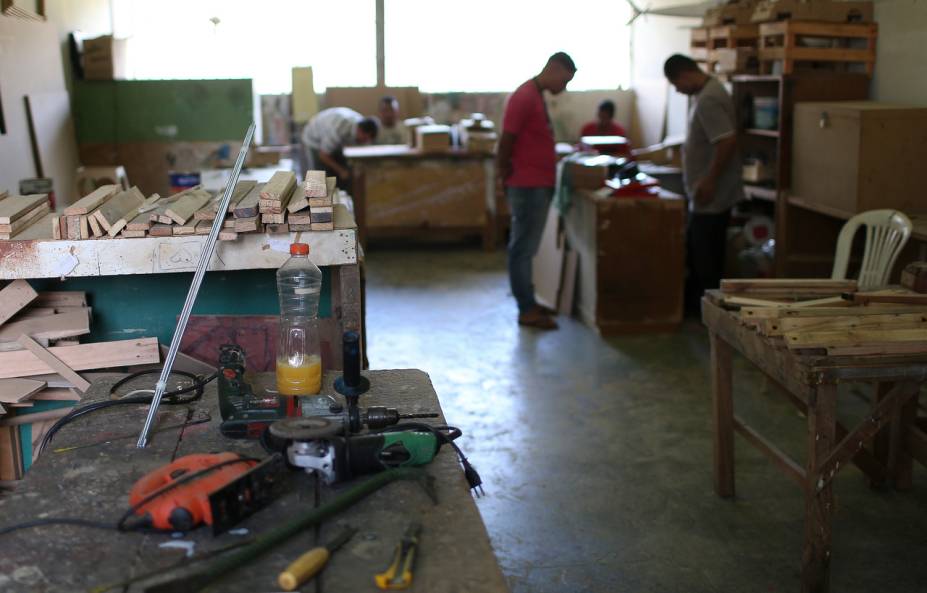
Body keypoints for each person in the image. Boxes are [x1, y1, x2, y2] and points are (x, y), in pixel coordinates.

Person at [497, 51, 576, 330]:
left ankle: (528, 301)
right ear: (554, 69)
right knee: (522, 249)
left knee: (526, 248)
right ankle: (526, 309)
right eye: (565, 80)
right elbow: (507, 139)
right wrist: (502, 173)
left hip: (534, 182)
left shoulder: (535, 95)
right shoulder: (525, 96)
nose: (564, 88)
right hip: (527, 185)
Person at [663, 54, 744, 314]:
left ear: (685, 74)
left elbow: (726, 141)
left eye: (676, 84)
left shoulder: (708, 98)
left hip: (712, 194)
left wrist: (709, 180)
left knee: (705, 258)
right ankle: (704, 309)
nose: (677, 90)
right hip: (708, 192)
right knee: (703, 252)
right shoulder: (708, 92)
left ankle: (709, 313)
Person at [302, 107, 378, 188]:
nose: (365, 142)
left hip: (333, 137)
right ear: (360, 130)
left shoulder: (362, 125)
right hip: (314, 138)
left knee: (342, 170)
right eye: (364, 139)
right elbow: (323, 155)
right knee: (319, 177)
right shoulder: (338, 129)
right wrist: (341, 171)